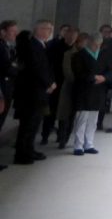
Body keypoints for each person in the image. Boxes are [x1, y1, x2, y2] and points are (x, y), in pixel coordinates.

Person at [13, 21, 56, 165]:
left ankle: (29, 149)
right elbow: (36, 68)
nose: (49, 31)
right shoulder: (32, 45)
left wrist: (51, 82)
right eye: (46, 28)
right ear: (37, 29)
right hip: (32, 91)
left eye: (51, 29)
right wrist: (48, 83)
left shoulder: (42, 45)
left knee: (35, 122)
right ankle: (21, 153)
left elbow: (47, 67)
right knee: (28, 123)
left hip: (40, 90)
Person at [70, 34, 107, 156]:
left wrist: (105, 77)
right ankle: (78, 145)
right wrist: (93, 77)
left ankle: (89, 144)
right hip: (84, 91)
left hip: (97, 91)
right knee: (82, 119)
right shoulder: (79, 56)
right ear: (89, 43)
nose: (97, 47)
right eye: (95, 44)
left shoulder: (102, 56)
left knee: (93, 120)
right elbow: (78, 73)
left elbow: (111, 69)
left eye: (99, 45)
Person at [40, 23, 75, 144]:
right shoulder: (54, 46)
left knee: (65, 113)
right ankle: (45, 135)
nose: (71, 38)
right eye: (68, 34)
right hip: (55, 83)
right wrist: (50, 81)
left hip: (68, 85)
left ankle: (62, 137)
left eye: (73, 36)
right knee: (50, 112)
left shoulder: (76, 49)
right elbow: (48, 65)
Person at [55, 32, 89, 149]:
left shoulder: (87, 54)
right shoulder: (69, 54)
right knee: (65, 114)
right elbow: (67, 70)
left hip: (81, 87)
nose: (85, 45)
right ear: (78, 42)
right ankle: (62, 138)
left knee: (74, 114)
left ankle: (67, 137)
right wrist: (77, 80)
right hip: (70, 86)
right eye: (84, 43)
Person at [95, 23, 112, 130]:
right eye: (104, 32)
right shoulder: (96, 43)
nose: (106, 34)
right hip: (96, 75)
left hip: (106, 76)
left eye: (108, 32)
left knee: (103, 100)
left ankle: (99, 122)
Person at [0, 19, 18, 136]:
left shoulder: (9, 47)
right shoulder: (1, 47)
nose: (15, 34)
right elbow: (6, 68)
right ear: (3, 32)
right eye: (12, 31)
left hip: (8, 87)